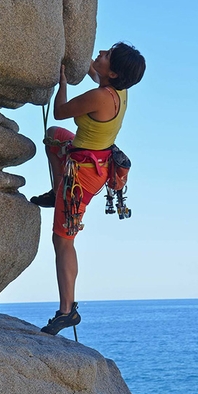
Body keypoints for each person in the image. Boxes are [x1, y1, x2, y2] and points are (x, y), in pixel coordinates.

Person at [31, 42, 146, 335]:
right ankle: (55, 191)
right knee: (53, 138)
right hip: (95, 159)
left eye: (106, 56)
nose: (101, 54)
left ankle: (66, 311)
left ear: (115, 72)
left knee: (63, 241)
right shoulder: (118, 91)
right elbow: (96, 73)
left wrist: (62, 83)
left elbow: (59, 111)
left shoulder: (99, 98)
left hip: (82, 175)